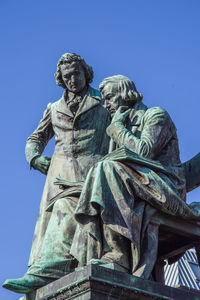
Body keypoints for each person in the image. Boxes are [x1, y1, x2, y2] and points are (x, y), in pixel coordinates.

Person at [72, 75, 200, 279]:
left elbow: (143, 152)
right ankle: (92, 254)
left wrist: (117, 129)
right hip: (135, 185)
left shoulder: (156, 115)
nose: (106, 105)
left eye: (109, 98)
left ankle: (119, 255)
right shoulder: (120, 125)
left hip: (164, 186)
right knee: (91, 179)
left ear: (126, 94)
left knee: (107, 168)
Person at [3, 53, 110, 294]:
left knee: (70, 209)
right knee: (55, 219)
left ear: (86, 73)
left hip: (91, 169)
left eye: (76, 74)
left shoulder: (103, 101)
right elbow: (36, 138)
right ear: (61, 79)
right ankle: (46, 274)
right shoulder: (54, 108)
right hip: (59, 172)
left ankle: (48, 271)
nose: (73, 79)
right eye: (67, 76)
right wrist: (34, 157)